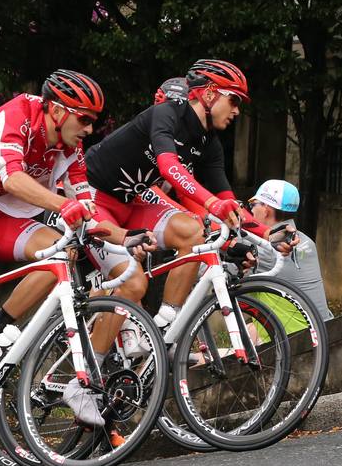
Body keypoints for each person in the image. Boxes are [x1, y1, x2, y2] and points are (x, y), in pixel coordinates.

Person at [0, 71, 145, 449]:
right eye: (83, 118)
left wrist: (125, 237)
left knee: (62, 251)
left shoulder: (71, 149)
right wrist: (62, 204)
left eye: (94, 121)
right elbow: (14, 179)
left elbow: (87, 208)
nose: (89, 128)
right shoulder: (18, 116)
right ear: (55, 111)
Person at [84, 59, 251, 327]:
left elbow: (224, 201)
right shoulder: (166, 114)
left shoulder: (208, 142)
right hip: (94, 198)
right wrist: (210, 207)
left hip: (131, 203)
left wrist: (261, 234)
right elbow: (169, 167)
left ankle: (164, 326)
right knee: (133, 282)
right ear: (208, 93)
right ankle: (99, 356)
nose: (237, 111)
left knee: (192, 231)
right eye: (234, 101)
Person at [246, 179, 333, 329]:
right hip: (324, 331)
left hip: (294, 343)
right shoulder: (306, 241)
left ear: (266, 209)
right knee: (250, 329)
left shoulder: (265, 249)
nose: (251, 210)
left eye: (253, 204)